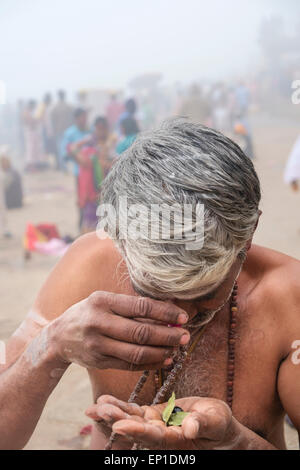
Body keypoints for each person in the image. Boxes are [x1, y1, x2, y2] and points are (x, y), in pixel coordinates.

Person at [0, 119, 300, 450]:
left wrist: (236, 441)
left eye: (203, 294)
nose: (179, 316)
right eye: (151, 291)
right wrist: (51, 347)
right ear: (121, 244)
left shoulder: (288, 298)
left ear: (247, 236)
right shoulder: (89, 264)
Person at [72, 117, 117, 233]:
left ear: (107, 128)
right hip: (92, 189)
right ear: (95, 129)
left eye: (103, 128)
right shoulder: (90, 143)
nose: (101, 131)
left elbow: (113, 161)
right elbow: (74, 150)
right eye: (98, 129)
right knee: (89, 219)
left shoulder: (113, 140)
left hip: (108, 187)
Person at [51, 90, 74, 170]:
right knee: (69, 148)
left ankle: (63, 167)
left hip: (59, 131)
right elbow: (73, 118)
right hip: (68, 130)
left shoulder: (55, 108)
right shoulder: (69, 107)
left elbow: (52, 121)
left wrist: (53, 131)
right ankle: (68, 166)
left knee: (61, 149)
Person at [22, 100, 44, 170]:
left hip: (33, 132)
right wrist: (36, 120)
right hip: (30, 132)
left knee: (35, 149)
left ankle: (34, 165)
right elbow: (30, 122)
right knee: (31, 149)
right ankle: (31, 166)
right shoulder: (27, 112)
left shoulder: (31, 112)